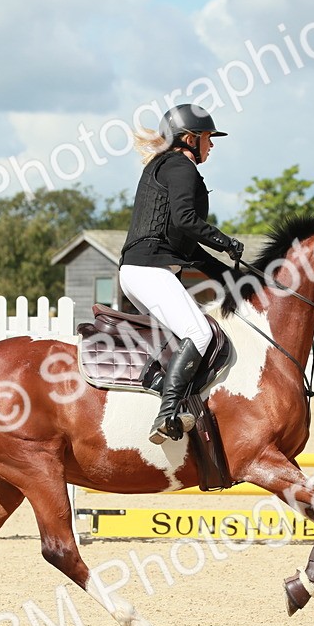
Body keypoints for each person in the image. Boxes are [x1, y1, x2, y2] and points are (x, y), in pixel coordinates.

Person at [119, 103, 245, 444]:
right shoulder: (180, 166)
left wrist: (236, 278)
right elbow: (186, 221)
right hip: (150, 271)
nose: (212, 145)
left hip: (143, 270)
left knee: (183, 338)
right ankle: (168, 413)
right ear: (190, 139)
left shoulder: (165, 166)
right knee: (200, 334)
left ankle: (161, 385)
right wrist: (225, 241)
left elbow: (188, 248)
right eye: (208, 138)